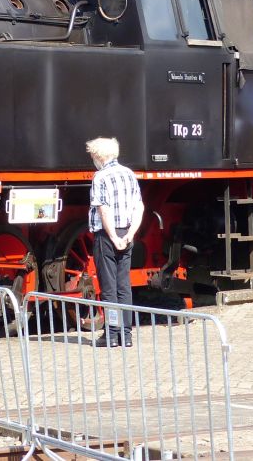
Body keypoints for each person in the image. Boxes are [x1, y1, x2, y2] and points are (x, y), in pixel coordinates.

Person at [87, 137, 144, 348]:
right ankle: (126, 335)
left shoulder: (100, 176)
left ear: (99, 156)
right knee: (124, 286)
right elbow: (139, 207)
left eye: (93, 155)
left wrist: (112, 237)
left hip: (107, 235)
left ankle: (111, 335)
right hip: (127, 233)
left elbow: (104, 209)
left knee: (109, 287)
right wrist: (130, 234)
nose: (92, 159)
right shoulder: (129, 174)